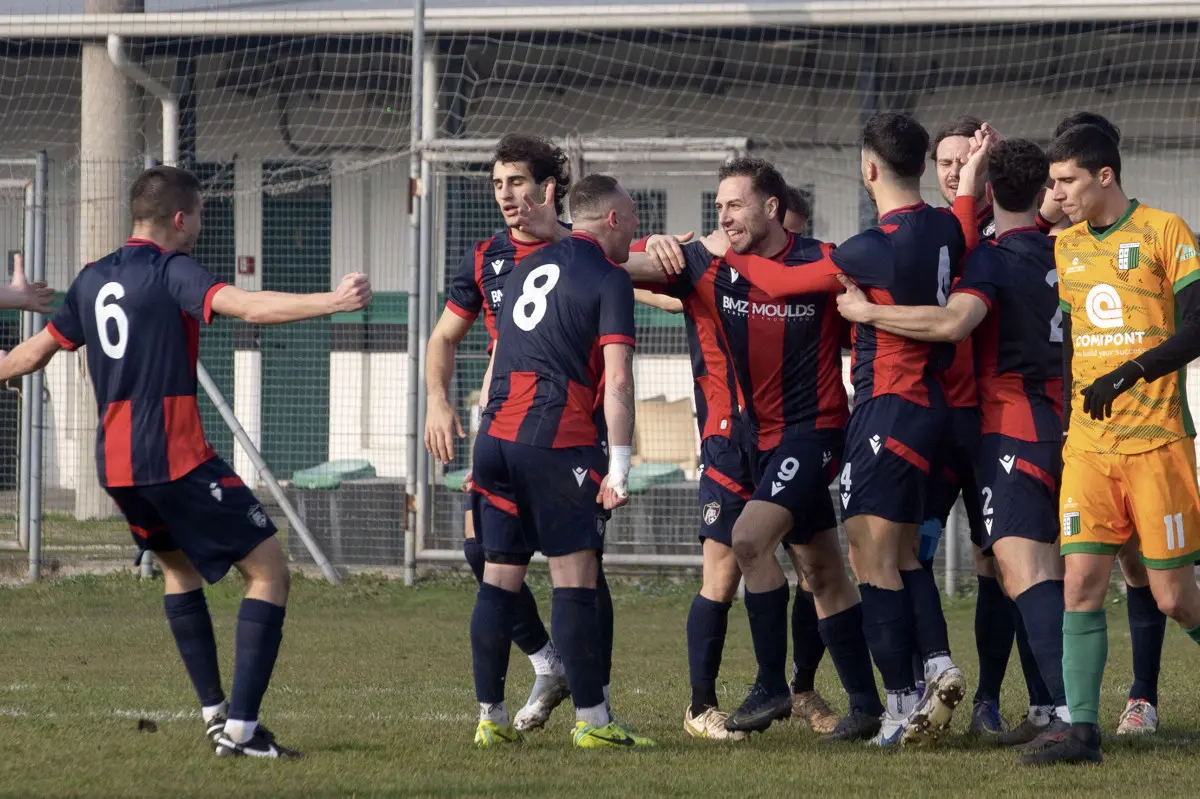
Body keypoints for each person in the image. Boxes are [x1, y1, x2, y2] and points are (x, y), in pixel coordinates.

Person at [0, 165, 372, 758]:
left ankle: (214, 714)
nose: (200, 225)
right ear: (181, 218)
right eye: (199, 215)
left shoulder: (92, 278)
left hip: (117, 467)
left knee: (179, 570)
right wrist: (334, 300)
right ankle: (244, 734)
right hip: (174, 457)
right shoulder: (172, 270)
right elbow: (248, 307)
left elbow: (32, 353)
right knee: (270, 572)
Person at [715, 112, 968, 746]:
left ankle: (901, 704)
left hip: (887, 405)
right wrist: (972, 181)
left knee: (867, 558)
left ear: (869, 169)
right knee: (903, 553)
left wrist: (718, 252)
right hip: (934, 406)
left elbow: (775, 280)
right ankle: (934, 663)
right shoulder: (945, 226)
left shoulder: (864, 247)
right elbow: (963, 221)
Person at [835, 135, 1072, 758]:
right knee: (917, 554)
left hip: (972, 424)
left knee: (999, 566)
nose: (953, 173)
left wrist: (865, 313)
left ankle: (1011, 701)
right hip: (998, 424)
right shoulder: (1044, 248)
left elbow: (948, 321)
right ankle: (952, 677)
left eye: (964, 164)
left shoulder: (972, 247)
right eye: (945, 162)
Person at [631, 158, 884, 741]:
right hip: (752, 440)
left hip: (813, 432)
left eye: (735, 204)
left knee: (747, 541)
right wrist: (657, 243)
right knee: (822, 571)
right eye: (718, 207)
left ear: (771, 208)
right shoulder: (708, 264)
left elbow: (860, 308)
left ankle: (773, 682)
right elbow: (616, 266)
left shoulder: (823, 259)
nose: (724, 216)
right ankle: (866, 704)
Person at [1022, 123, 1200, 765]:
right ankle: (1084, 733)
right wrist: (1071, 415)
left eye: (1066, 180)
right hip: (1089, 447)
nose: (1057, 193)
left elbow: (1199, 326)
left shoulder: (1164, 231)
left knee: (1176, 597)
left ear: (1104, 176)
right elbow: (1071, 342)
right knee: (1080, 585)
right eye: (1052, 182)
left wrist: (1131, 373)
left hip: (1157, 442)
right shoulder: (1065, 248)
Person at [468, 173, 654, 749]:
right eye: (634, 219)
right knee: (574, 578)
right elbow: (618, 379)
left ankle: (490, 720)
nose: (639, 231)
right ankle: (594, 724)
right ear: (615, 222)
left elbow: (497, 359)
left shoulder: (527, 266)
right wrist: (619, 468)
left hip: (494, 437)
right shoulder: (608, 276)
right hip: (556, 440)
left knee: (499, 579)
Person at [425, 133, 574, 731]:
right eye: (497, 184)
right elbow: (442, 337)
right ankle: (548, 662)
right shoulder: (484, 256)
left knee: (576, 568)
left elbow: (640, 276)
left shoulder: (582, 248)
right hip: (501, 426)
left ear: (547, 188)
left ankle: (595, 701)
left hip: (565, 428)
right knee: (480, 553)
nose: (506, 195)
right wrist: (438, 400)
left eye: (516, 182)